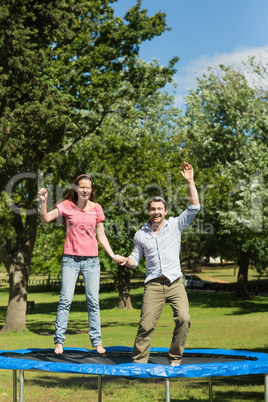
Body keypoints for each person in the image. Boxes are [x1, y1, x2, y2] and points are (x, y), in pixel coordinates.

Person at [121, 162, 200, 366]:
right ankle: (138, 364)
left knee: (184, 318)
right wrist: (125, 261)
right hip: (154, 285)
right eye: (152, 209)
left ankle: (175, 358)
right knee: (146, 325)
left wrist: (190, 182)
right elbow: (134, 260)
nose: (156, 212)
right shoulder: (141, 235)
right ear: (149, 212)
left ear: (165, 211)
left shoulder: (176, 225)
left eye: (159, 209)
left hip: (175, 283)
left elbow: (194, 206)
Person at [38, 174, 124, 355]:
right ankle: (59, 342)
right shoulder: (67, 206)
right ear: (76, 188)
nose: (85, 190)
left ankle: (97, 342)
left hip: (92, 261)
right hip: (70, 259)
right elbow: (45, 219)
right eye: (82, 187)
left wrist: (112, 254)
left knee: (93, 302)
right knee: (65, 300)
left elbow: (101, 234)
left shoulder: (97, 208)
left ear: (91, 190)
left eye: (89, 187)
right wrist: (44, 202)